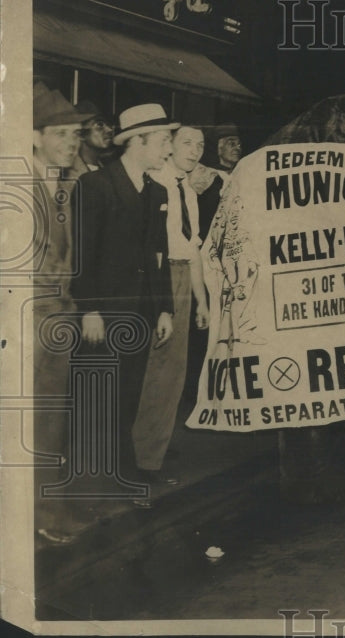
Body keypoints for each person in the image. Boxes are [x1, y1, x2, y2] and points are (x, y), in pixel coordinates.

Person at [71, 103, 177, 506]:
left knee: (127, 394)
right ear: (138, 141)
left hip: (140, 313)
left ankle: (119, 474)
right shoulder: (96, 187)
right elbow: (83, 253)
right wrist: (90, 309)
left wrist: (165, 308)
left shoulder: (158, 191)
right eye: (164, 140)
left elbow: (159, 253)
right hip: (103, 313)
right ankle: (90, 485)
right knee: (97, 396)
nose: (167, 149)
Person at [131, 126, 211, 485]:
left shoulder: (187, 190)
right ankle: (141, 456)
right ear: (170, 147)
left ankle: (153, 450)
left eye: (200, 146)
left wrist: (201, 302)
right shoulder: (155, 182)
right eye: (186, 144)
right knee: (154, 370)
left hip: (181, 279)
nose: (195, 151)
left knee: (173, 375)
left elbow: (192, 250)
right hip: (158, 279)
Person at [30, 82, 90, 544]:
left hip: (56, 317)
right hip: (30, 319)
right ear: (35, 136)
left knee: (50, 418)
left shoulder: (63, 184)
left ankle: (47, 509)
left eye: (76, 135)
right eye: (62, 134)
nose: (73, 143)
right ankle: (43, 515)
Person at [192, 123, 241, 240]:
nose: (237, 148)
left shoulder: (240, 175)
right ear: (219, 148)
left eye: (239, 144)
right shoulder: (204, 175)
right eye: (231, 143)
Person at [70, 100, 115, 176]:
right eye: (100, 125)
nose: (109, 130)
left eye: (108, 124)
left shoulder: (108, 169)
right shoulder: (68, 173)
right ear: (81, 134)